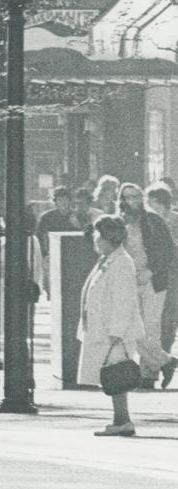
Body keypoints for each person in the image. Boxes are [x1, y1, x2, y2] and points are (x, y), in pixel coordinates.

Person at [79, 215, 163, 436]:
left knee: (115, 375)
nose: (94, 239)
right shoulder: (109, 259)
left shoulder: (122, 262)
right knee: (114, 375)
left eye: (98, 235)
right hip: (106, 328)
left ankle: (123, 421)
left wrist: (116, 331)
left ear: (106, 237)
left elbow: (124, 300)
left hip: (115, 331)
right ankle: (121, 420)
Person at [114, 182, 175, 385]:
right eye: (127, 197)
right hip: (128, 281)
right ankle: (165, 361)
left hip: (152, 281)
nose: (131, 201)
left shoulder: (152, 220)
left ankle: (148, 375)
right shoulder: (118, 222)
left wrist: (150, 271)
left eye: (135, 196)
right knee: (130, 328)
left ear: (142, 198)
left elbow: (168, 250)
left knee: (150, 328)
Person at [146, 184, 178, 376]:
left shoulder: (174, 221)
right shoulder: (149, 222)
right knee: (154, 322)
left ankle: (162, 363)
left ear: (161, 203)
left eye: (151, 203)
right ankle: (156, 366)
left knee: (167, 322)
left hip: (173, 277)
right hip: (156, 276)